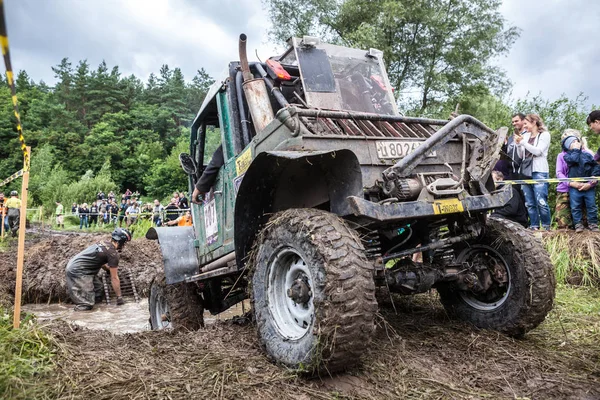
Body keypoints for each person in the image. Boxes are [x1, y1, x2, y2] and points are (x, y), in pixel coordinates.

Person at [65, 228, 131, 311]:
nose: (124, 246)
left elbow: (99, 259)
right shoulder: (113, 254)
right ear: (120, 242)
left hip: (77, 266)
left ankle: (96, 309)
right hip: (79, 270)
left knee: (99, 289)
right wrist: (119, 297)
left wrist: (107, 269)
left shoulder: (103, 243)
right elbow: (114, 278)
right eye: (124, 243)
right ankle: (79, 315)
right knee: (86, 303)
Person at [515, 114, 551, 230]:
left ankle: (546, 226)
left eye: (526, 123)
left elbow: (538, 151)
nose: (524, 126)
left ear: (534, 122)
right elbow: (521, 155)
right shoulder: (525, 136)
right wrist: (518, 145)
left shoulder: (544, 135)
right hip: (526, 170)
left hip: (539, 170)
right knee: (529, 203)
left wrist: (523, 143)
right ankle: (534, 225)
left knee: (541, 201)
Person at [562, 135, 600, 232]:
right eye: (573, 142)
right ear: (567, 146)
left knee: (591, 206)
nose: (576, 143)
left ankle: (593, 224)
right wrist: (575, 150)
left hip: (588, 186)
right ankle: (578, 225)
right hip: (575, 187)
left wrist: (594, 176)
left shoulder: (587, 155)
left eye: (577, 141)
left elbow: (595, 165)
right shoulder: (567, 156)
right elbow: (573, 160)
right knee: (575, 207)